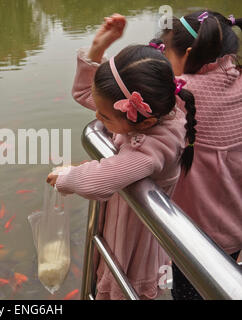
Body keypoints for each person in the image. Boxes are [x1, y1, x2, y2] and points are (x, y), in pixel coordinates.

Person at [46, 14, 197, 300]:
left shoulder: (154, 146)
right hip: (119, 226)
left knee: (122, 290)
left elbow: (100, 181)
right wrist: (97, 48)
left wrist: (66, 178)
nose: (96, 117)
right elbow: (83, 92)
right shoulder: (152, 109)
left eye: (103, 117)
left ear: (143, 124)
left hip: (133, 243)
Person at [151, 10, 242, 300]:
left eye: (167, 54)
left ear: (188, 53)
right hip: (236, 227)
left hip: (193, 235)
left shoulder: (178, 94)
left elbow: (111, 102)